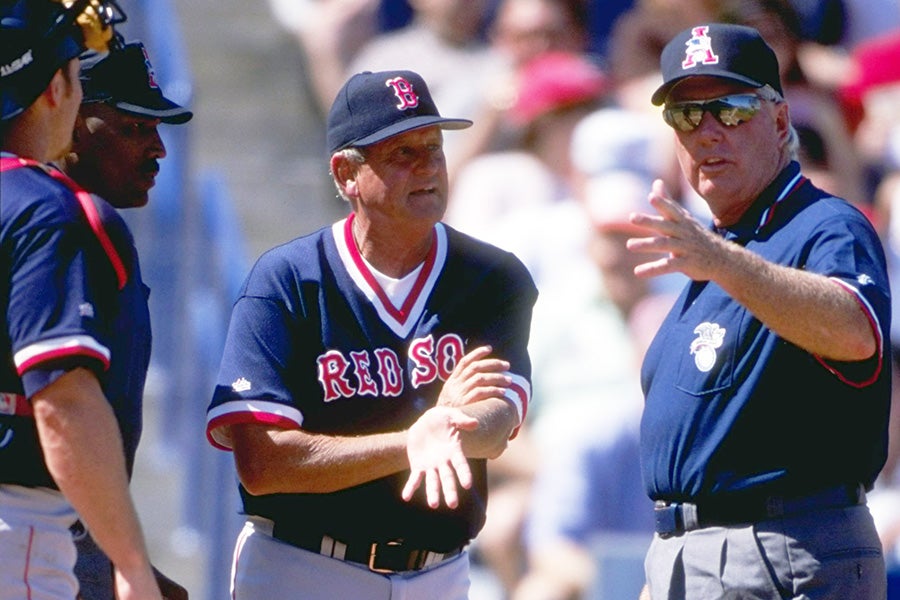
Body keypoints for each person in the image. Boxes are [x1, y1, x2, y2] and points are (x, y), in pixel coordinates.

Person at [205, 69, 537, 599]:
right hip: (304, 567)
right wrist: (417, 439)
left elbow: (494, 425)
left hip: (440, 573)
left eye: (434, 146)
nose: (427, 166)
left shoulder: (493, 278)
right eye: (402, 153)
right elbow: (264, 464)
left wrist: (444, 427)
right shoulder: (288, 279)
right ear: (346, 174)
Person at [627, 23, 892, 599]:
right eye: (686, 115)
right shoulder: (723, 247)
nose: (707, 132)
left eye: (731, 109)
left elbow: (854, 330)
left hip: (781, 546)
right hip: (683, 556)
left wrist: (721, 261)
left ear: (778, 122)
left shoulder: (823, 225)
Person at [0, 1, 163, 599]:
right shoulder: (47, 208)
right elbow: (63, 403)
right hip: (17, 529)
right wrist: (132, 564)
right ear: (55, 87)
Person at [55, 38, 193, 600]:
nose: (159, 148)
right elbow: (61, 411)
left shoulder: (94, 231)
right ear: (74, 123)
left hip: (70, 540)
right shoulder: (51, 229)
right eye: (135, 127)